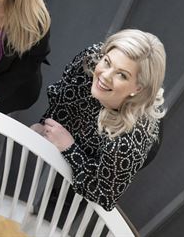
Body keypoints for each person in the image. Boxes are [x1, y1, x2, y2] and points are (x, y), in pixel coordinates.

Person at [32, 29, 166, 210]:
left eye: (122, 75)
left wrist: (69, 148)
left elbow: (105, 194)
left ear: (138, 88)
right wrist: (47, 127)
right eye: (107, 62)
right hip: (107, 110)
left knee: (89, 179)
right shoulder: (91, 60)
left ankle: (67, 199)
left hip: (122, 136)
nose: (105, 76)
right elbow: (64, 102)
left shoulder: (128, 142)